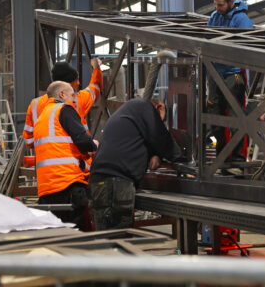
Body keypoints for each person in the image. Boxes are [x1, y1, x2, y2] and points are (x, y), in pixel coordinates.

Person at [88, 98, 182, 230]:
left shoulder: (130, 112)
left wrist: (156, 155)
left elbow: (141, 140)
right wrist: (180, 158)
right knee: (120, 236)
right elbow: (159, 135)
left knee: (105, 236)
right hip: (115, 184)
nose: (162, 123)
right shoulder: (144, 106)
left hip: (99, 181)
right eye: (162, 119)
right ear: (159, 107)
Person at [33, 81, 99, 230]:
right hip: (68, 184)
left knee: (57, 237)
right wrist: (94, 144)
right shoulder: (64, 109)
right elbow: (83, 141)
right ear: (62, 94)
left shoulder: (42, 117)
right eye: (72, 95)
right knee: (80, 238)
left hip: (46, 190)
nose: (75, 100)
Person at [206, 0, 254, 161]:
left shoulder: (241, 20)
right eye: (216, 5)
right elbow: (206, 40)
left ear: (231, 2)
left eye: (221, 5)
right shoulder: (214, 16)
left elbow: (248, 47)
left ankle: (237, 158)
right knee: (214, 115)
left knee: (235, 118)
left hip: (233, 74)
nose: (218, 9)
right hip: (215, 73)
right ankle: (220, 155)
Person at [23, 58, 103, 149]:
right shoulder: (77, 100)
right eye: (76, 80)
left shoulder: (35, 104)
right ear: (67, 84)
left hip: (45, 158)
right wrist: (96, 68)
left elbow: (29, 141)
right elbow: (95, 88)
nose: (78, 83)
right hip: (75, 160)